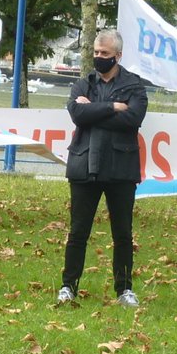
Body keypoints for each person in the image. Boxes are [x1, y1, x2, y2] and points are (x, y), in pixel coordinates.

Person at [57, 29, 148, 308]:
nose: (99, 57)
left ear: (118, 56)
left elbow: (133, 119)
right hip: (84, 166)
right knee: (78, 231)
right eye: (96, 52)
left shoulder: (134, 86)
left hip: (121, 167)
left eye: (105, 54)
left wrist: (95, 111)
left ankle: (124, 290)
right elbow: (77, 114)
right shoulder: (83, 83)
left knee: (122, 233)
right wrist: (112, 107)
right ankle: (68, 286)